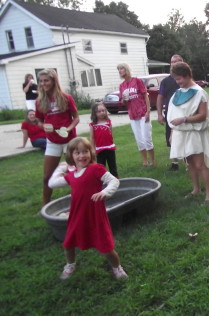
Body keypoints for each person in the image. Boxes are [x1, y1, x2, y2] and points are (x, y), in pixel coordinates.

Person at [48, 136, 128, 280]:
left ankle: (117, 267)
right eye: (77, 153)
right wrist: (61, 168)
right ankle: (70, 265)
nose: (82, 155)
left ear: (91, 153)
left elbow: (114, 181)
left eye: (85, 151)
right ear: (71, 156)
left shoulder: (95, 169)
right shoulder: (71, 176)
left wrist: (104, 192)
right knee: (68, 244)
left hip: (95, 216)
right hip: (77, 216)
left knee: (107, 247)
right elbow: (51, 183)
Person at [35, 68, 79, 205]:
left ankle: (81, 201)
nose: (43, 84)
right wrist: (42, 126)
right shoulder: (40, 101)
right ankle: (45, 205)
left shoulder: (66, 97)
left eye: (46, 80)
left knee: (76, 173)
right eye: (41, 81)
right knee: (47, 176)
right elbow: (38, 120)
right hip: (52, 142)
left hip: (70, 141)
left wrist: (69, 128)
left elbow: (76, 118)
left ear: (54, 81)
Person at [167, 62, 209, 204]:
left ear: (187, 75)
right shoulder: (178, 93)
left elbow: (203, 115)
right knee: (190, 163)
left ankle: (208, 195)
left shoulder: (199, 93)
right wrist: (173, 132)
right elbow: (174, 114)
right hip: (181, 133)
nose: (177, 82)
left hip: (194, 133)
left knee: (199, 164)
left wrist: (185, 119)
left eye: (179, 79)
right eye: (176, 79)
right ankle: (196, 189)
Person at [117, 63, 155, 167]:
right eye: (118, 69)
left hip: (143, 113)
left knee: (147, 137)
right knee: (139, 139)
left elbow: (145, 96)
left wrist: (148, 111)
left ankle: (152, 161)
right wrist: (124, 100)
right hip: (133, 116)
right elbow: (123, 102)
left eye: (121, 68)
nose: (120, 71)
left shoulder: (137, 81)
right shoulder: (122, 86)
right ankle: (144, 161)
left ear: (127, 69)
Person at [156, 54, 183, 171]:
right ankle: (175, 163)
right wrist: (159, 114)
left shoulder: (186, 78)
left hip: (184, 113)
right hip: (170, 113)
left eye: (177, 62)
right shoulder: (165, 81)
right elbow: (160, 97)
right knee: (170, 138)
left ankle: (189, 162)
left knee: (185, 136)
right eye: (172, 62)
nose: (174, 64)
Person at [89, 102, 118, 177]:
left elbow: (110, 134)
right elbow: (92, 138)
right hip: (100, 149)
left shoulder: (108, 122)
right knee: (101, 167)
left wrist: (112, 144)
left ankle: (115, 179)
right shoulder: (93, 125)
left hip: (110, 148)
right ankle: (102, 181)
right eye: (99, 111)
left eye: (103, 110)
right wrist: (92, 149)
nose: (102, 113)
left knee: (113, 166)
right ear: (94, 113)